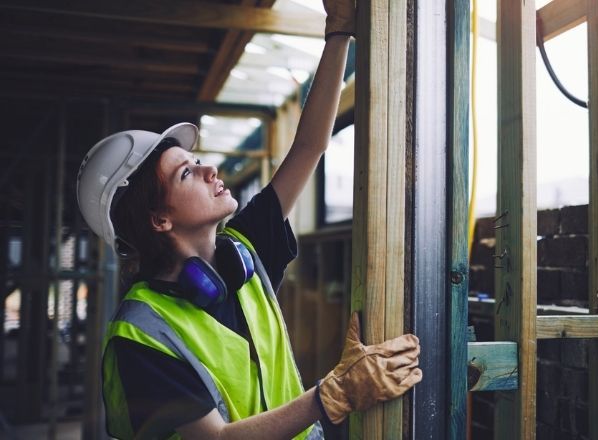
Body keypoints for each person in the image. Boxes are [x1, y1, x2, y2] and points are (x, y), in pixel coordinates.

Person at [75, 0, 422, 438]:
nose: (209, 170)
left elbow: (310, 147)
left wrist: (338, 34)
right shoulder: (141, 334)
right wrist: (332, 395)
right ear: (159, 219)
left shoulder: (244, 252)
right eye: (187, 173)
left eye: (198, 160)